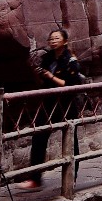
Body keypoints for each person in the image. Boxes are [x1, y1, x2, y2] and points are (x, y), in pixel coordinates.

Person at [28, 28, 81, 185]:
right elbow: (43, 80)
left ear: (65, 41)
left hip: (66, 104)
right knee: (39, 136)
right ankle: (35, 178)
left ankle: (71, 178)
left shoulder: (71, 60)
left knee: (71, 141)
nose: (53, 41)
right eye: (51, 39)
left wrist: (50, 76)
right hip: (49, 103)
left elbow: (71, 84)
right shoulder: (47, 57)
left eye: (56, 38)